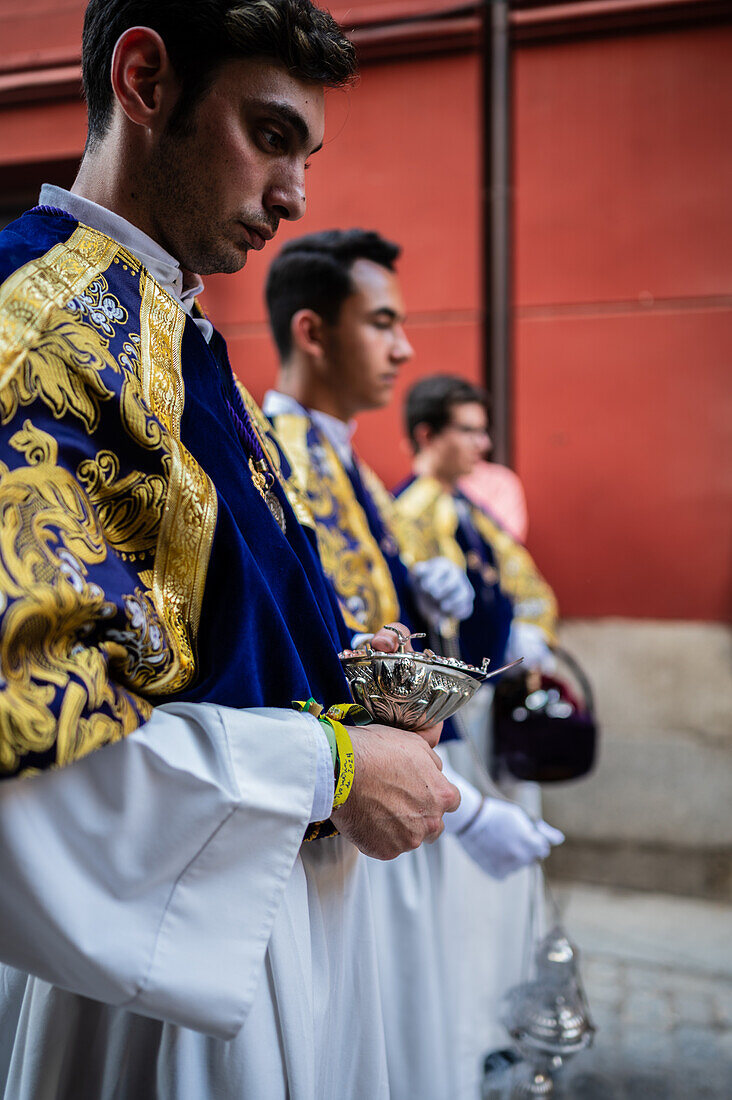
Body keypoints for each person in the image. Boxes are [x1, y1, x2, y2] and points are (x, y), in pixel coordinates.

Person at [0, 6, 462, 1099]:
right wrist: (333, 766)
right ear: (147, 81)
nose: (297, 197)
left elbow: (207, 653)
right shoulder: (33, 326)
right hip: (154, 972)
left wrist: (345, 685)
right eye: (268, 134)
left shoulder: (176, 333)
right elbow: (28, 749)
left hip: (257, 914)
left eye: (306, 153)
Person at [261, 229, 563, 1099]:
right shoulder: (278, 452)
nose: (405, 348)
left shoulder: (339, 454)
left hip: (389, 777)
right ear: (315, 331)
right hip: (348, 797)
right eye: (383, 322)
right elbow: (312, 653)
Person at [397, 372, 562, 1083]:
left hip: (495, 717)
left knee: (507, 884)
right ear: (429, 435)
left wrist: (533, 626)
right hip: (454, 727)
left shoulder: (473, 509)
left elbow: (531, 585)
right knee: (466, 891)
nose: (483, 443)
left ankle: (497, 1017)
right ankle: (465, 1034)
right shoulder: (411, 511)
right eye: (467, 428)